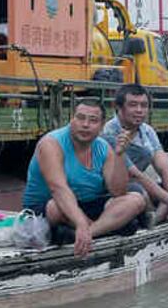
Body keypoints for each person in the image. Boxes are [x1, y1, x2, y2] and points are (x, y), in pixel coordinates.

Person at [22, 99, 146, 258]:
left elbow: (118, 191)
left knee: (135, 200)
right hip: (51, 206)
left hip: (86, 206)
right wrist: (80, 222)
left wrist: (120, 155)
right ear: (71, 119)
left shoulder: (103, 147)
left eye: (93, 120)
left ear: (102, 126)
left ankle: (87, 234)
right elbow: (58, 188)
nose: (85, 124)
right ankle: (107, 229)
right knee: (55, 207)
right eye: (80, 118)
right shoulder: (52, 143)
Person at [101, 84, 168, 227]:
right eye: (133, 105)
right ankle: (158, 218)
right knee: (140, 192)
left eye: (144, 105)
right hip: (116, 188)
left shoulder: (147, 131)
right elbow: (134, 175)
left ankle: (157, 219)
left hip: (142, 183)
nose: (139, 110)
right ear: (119, 108)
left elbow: (164, 169)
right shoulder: (109, 133)